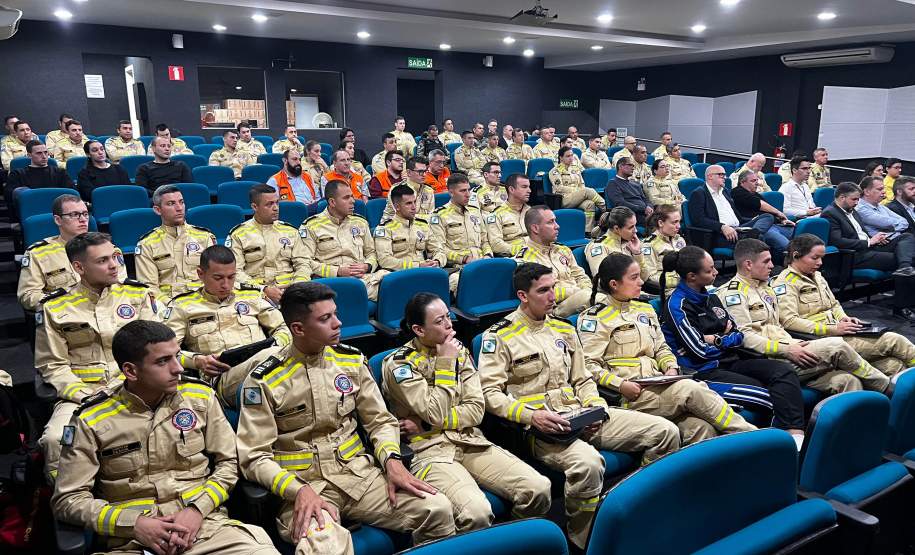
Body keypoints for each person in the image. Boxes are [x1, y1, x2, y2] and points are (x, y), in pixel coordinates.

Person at [236, 282, 455, 553]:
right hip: (305, 487)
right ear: (298, 329)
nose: (338, 323)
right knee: (325, 545)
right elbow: (254, 457)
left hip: (358, 475)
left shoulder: (350, 361)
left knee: (437, 508)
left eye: (336, 314)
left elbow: (380, 420)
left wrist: (392, 461)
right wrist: (297, 491)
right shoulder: (265, 380)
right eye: (325, 318)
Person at [479, 263, 680, 548]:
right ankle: (582, 539)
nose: (553, 296)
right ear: (523, 296)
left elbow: (583, 379)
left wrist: (595, 407)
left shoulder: (563, 329)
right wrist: (532, 416)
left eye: (553, 288)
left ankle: (635, 509)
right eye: (544, 290)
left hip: (583, 414)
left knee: (666, 432)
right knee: (588, 464)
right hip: (543, 427)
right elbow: (489, 393)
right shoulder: (499, 336)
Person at [52, 320, 280, 555]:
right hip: (132, 543)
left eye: (176, 356)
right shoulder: (92, 419)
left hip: (207, 531)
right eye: (163, 361)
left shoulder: (200, 397)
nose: (178, 368)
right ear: (131, 371)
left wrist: (197, 510)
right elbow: (68, 500)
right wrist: (135, 524)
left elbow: (230, 463)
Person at [382, 293, 552, 531]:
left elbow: (475, 410)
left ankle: (513, 542)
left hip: (470, 439)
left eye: (448, 317)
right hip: (429, 451)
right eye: (439, 321)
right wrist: (445, 364)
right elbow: (434, 410)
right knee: (476, 513)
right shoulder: (399, 365)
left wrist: (427, 423)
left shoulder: (458, 350)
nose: (449, 324)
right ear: (419, 330)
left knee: (538, 488)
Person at [581, 253, 756, 444]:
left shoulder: (645, 310)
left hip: (659, 385)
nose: (641, 282)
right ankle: (753, 438)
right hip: (631, 394)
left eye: (640, 276)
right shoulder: (594, 318)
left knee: (701, 428)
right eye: (633, 278)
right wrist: (620, 385)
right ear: (614, 284)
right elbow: (589, 365)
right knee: (692, 389)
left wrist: (670, 367)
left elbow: (661, 348)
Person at [34, 232, 157, 480]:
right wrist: (84, 394)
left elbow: (155, 349)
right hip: (83, 393)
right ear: (79, 267)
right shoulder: (55, 308)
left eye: (114, 257)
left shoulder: (137, 295)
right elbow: (52, 365)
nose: (114, 265)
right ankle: (71, 505)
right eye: (102, 261)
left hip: (136, 387)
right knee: (55, 440)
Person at [659, 246, 807, 445]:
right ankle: (772, 447)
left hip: (730, 360)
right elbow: (700, 351)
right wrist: (724, 338)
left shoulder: (711, 297)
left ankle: (796, 439)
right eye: (710, 270)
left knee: (784, 371)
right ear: (692, 276)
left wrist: (716, 339)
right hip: (704, 372)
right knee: (767, 396)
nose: (716, 272)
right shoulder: (677, 304)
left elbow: (738, 334)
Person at [724, 239, 884, 398]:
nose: (772, 265)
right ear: (748, 264)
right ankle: (886, 388)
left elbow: (780, 326)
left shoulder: (764, 287)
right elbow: (744, 337)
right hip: (772, 359)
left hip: (793, 347)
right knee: (837, 346)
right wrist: (786, 349)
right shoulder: (733, 294)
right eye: (766, 261)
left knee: (847, 380)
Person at [164, 245, 291, 407]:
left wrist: (276, 343)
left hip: (268, 363)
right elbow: (167, 352)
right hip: (223, 378)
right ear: (200, 274)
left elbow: (284, 327)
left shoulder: (250, 295)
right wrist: (197, 361)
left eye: (231, 277)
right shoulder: (182, 306)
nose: (226, 284)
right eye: (218, 278)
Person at [773, 233, 915, 376]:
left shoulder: (817, 276)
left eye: (821, 258)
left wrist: (843, 318)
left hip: (842, 331)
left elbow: (834, 304)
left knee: (895, 366)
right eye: (815, 258)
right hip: (821, 339)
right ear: (796, 256)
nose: (820, 263)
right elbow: (789, 321)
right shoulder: (784, 284)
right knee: (895, 341)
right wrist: (832, 329)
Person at [18, 194, 126, 311]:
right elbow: (28, 295)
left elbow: (121, 286)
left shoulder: (109, 250)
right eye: (74, 215)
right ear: (58, 220)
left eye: (85, 214)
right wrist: (66, 304)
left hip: (107, 310)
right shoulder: (38, 254)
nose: (83, 219)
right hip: (65, 315)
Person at [300, 180, 388, 300]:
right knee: (388, 292)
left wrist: (367, 266)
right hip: (330, 282)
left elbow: (372, 252)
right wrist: (337, 271)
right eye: (346, 198)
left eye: (352, 196)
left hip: (362, 278)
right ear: (332, 202)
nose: (353, 201)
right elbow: (305, 261)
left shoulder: (360, 222)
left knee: (394, 282)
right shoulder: (311, 226)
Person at [227, 184, 310, 301]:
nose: (276, 208)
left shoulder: (290, 231)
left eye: (277, 202)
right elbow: (235, 272)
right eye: (269, 204)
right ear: (255, 207)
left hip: (292, 292)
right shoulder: (238, 234)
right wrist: (263, 290)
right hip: (255, 295)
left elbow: (303, 263)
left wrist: (297, 286)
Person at [136, 185, 217, 302]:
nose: (179, 208)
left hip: (204, 301)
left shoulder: (204, 237)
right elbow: (149, 288)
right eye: (171, 204)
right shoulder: (146, 244)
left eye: (181, 202)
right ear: (158, 210)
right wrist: (172, 306)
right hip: (168, 305)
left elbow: (215, 276)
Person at [821, 181, 915, 277]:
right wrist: (869, 242)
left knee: (906, 237)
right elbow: (837, 241)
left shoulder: (851, 209)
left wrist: (876, 238)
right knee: (905, 257)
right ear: (842, 198)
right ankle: (905, 269)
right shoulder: (830, 213)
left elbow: (861, 233)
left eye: (858, 199)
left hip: (869, 247)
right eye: (854, 199)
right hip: (855, 254)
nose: (857, 203)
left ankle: (904, 267)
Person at [516, 206, 592, 317]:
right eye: (551, 222)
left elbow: (580, 275)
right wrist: (577, 291)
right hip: (553, 309)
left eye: (555, 221)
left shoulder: (563, 250)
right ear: (535, 228)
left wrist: (587, 288)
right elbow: (541, 293)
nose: (557, 226)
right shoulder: (525, 259)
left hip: (581, 297)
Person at [688, 164, 782, 249]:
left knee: (768, 216)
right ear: (710, 176)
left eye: (725, 175)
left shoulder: (725, 192)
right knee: (758, 239)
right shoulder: (699, 193)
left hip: (739, 227)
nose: (725, 177)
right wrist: (722, 227)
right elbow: (698, 219)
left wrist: (752, 221)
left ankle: (752, 233)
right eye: (721, 175)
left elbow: (738, 217)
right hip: (721, 234)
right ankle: (752, 237)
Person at [428, 174, 492, 291]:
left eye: (468, 190)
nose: (468, 194)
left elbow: (485, 240)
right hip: (459, 268)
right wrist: (463, 258)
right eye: (463, 191)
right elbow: (439, 249)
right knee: (461, 282)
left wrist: (488, 255)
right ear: (451, 193)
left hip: (482, 262)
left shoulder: (474, 211)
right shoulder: (439, 215)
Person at [375, 184, 436, 271]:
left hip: (425, 271)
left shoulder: (423, 225)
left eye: (414, 202)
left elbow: (437, 249)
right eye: (408, 203)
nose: (414, 207)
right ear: (397, 207)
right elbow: (385, 261)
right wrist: (417, 265)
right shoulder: (385, 229)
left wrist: (437, 261)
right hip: (400, 274)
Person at [731, 170, 794, 252]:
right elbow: (759, 204)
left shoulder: (756, 194)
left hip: (773, 225)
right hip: (755, 226)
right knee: (787, 247)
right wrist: (779, 213)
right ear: (742, 182)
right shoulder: (737, 192)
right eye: (753, 181)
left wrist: (782, 220)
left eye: (757, 180)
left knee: (798, 230)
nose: (757, 183)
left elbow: (769, 212)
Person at [548, 146, 606, 233]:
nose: (571, 158)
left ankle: (588, 232)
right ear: (561, 157)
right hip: (563, 199)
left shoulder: (575, 169)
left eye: (572, 155)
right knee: (587, 190)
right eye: (568, 156)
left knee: (589, 204)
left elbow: (582, 184)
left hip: (577, 197)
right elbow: (559, 188)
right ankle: (605, 209)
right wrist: (577, 190)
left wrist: (579, 191)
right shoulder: (554, 171)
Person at [584, 207, 644, 277]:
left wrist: (637, 253)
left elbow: (644, 278)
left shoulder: (631, 243)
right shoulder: (599, 246)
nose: (636, 230)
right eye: (631, 227)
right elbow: (602, 280)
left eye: (635, 225)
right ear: (616, 228)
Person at [641, 205, 686, 293]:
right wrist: (678, 281)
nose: (679, 226)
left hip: (686, 284)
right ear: (661, 223)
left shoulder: (679, 240)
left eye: (679, 222)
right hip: (668, 290)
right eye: (674, 222)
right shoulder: (647, 245)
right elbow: (649, 277)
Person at [382, 155, 435, 221]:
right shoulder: (397, 189)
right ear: (409, 172)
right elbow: (404, 218)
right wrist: (426, 217)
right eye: (420, 172)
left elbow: (431, 216)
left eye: (425, 171)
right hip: (396, 227)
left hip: (421, 227)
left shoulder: (429, 190)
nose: (424, 175)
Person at [7, 140, 73, 190]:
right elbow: (11, 198)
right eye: (39, 153)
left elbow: (71, 193)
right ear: (29, 155)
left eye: (45, 152)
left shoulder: (60, 172)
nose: (44, 156)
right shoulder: (17, 174)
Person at [606, 157, 652, 227]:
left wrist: (649, 207)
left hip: (646, 213)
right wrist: (643, 209)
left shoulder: (635, 183)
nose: (633, 168)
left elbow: (645, 199)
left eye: (633, 166)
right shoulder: (613, 183)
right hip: (631, 216)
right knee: (662, 223)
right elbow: (620, 203)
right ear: (620, 166)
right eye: (630, 165)